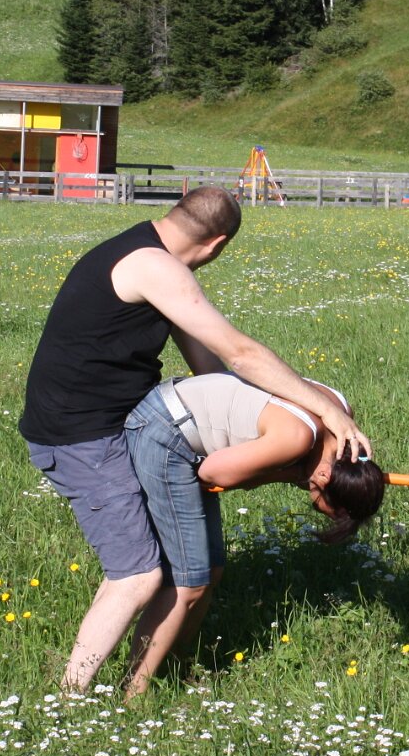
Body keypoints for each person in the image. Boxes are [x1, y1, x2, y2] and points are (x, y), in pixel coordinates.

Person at [19, 187, 372, 694]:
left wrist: (256, 429)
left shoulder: (147, 256)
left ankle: (154, 675)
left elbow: (208, 370)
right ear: (218, 244)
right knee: (138, 576)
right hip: (80, 436)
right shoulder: (155, 267)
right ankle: (69, 699)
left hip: (110, 423)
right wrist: (326, 410)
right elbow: (239, 354)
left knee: (170, 569)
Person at [119, 372, 386, 698]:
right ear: (324, 477)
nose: (308, 491)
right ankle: (133, 692)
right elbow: (211, 473)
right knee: (189, 581)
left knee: (211, 571)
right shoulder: (297, 439)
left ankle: (175, 666)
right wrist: (288, 474)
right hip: (164, 430)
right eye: (316, 500)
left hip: (184, 429)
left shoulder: (340, 418)